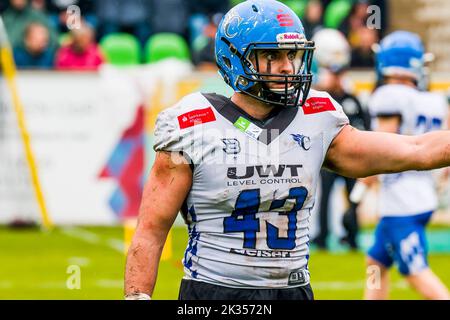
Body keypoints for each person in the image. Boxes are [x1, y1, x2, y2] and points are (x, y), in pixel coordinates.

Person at [124, 0, 450, 300]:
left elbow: (416, 148)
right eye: (272, 56)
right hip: (214, 292)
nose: (287, 67)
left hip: (292, 291)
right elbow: (151, 232)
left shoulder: (317, 118)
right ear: (234, 59)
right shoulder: (194, 123)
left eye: (292, 55)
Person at [353, 31, 449, 300]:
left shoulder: (389, 96)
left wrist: (359, 193)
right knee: (376, 263)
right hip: (420, 193)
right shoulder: (433, 100)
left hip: (402, 202)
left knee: (415, 270)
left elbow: (383, 149)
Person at [311, 28, 370, 250]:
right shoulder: (323, 98)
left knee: (353, 196)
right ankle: (323, 236)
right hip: (330, 154)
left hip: (352, 154)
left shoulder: (352, 98)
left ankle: (352, 236)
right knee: (325, 196)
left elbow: (367, 125)